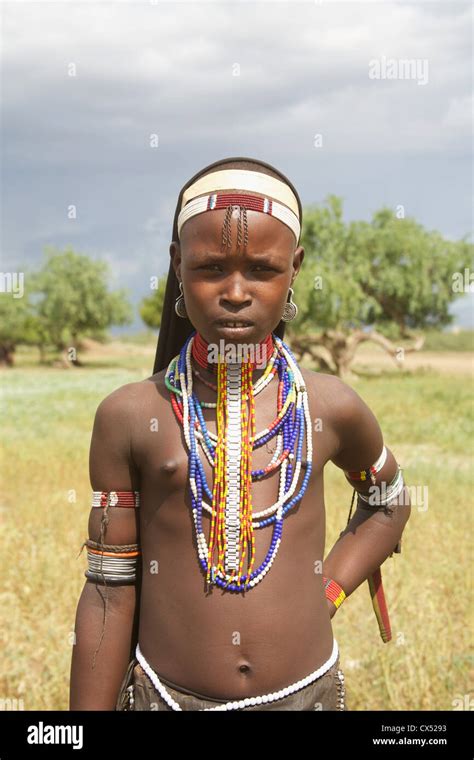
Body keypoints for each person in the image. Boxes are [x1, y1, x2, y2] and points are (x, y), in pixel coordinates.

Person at [69, 156, 411, 711]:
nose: (235, 291)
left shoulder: (330, 406)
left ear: (295, 268)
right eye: (209, 269)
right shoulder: (130, 416)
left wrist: (326, 592)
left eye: (262, 270)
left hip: (311, 698)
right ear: (177, 265)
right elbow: (108, 591)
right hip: (166, 699)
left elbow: (389, 503)